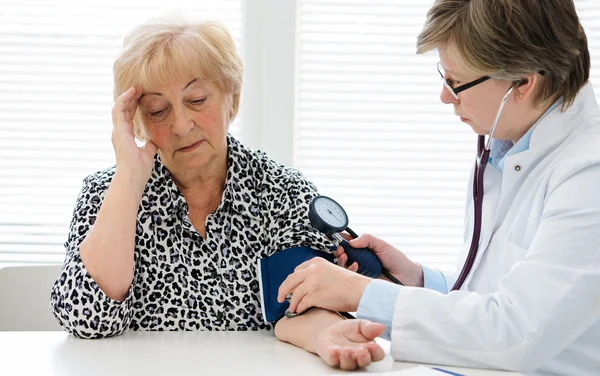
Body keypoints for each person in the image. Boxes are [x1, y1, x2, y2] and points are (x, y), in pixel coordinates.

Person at [274, 0, 600, 373]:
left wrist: (360, 293)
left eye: (456, 82)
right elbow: (491, 299)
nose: (445, 96)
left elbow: (516, 333)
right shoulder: (509, 149)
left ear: (522, 83)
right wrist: (416, 280)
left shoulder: (588, 176)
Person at [50, 19, 333, 339]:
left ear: (233, 98)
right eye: (157, 110)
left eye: (197, 100)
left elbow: (318, 309)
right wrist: (128, 178)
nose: (181, 126)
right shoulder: (105, 194)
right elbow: (87, 320)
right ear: (136, 121)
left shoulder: (283, 192)